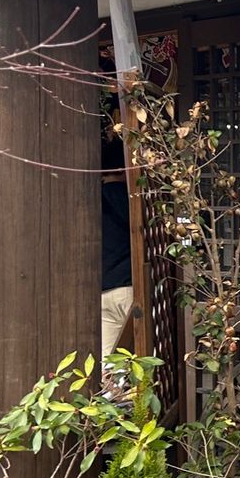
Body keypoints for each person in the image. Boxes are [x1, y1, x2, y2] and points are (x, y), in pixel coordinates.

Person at [100, 133, 133, 360]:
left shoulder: (90, 198)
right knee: (142, 356)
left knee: (110, 364)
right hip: (129, 287)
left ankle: (111, 395)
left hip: (103, 288)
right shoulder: (132, 199)